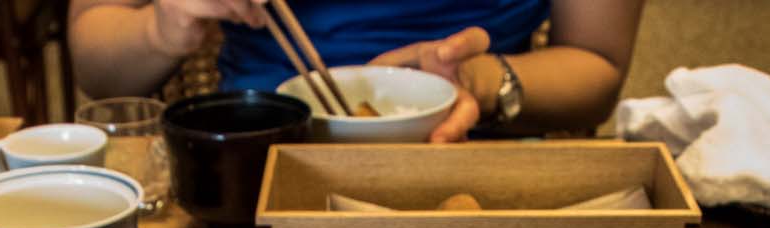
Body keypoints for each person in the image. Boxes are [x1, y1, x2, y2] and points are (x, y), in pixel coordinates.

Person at [68, 1, 645, 142]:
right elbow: (98, 62)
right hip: (254, 157)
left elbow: (597, 66)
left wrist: (478, 83)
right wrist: (162, 27)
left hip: (479, 160)